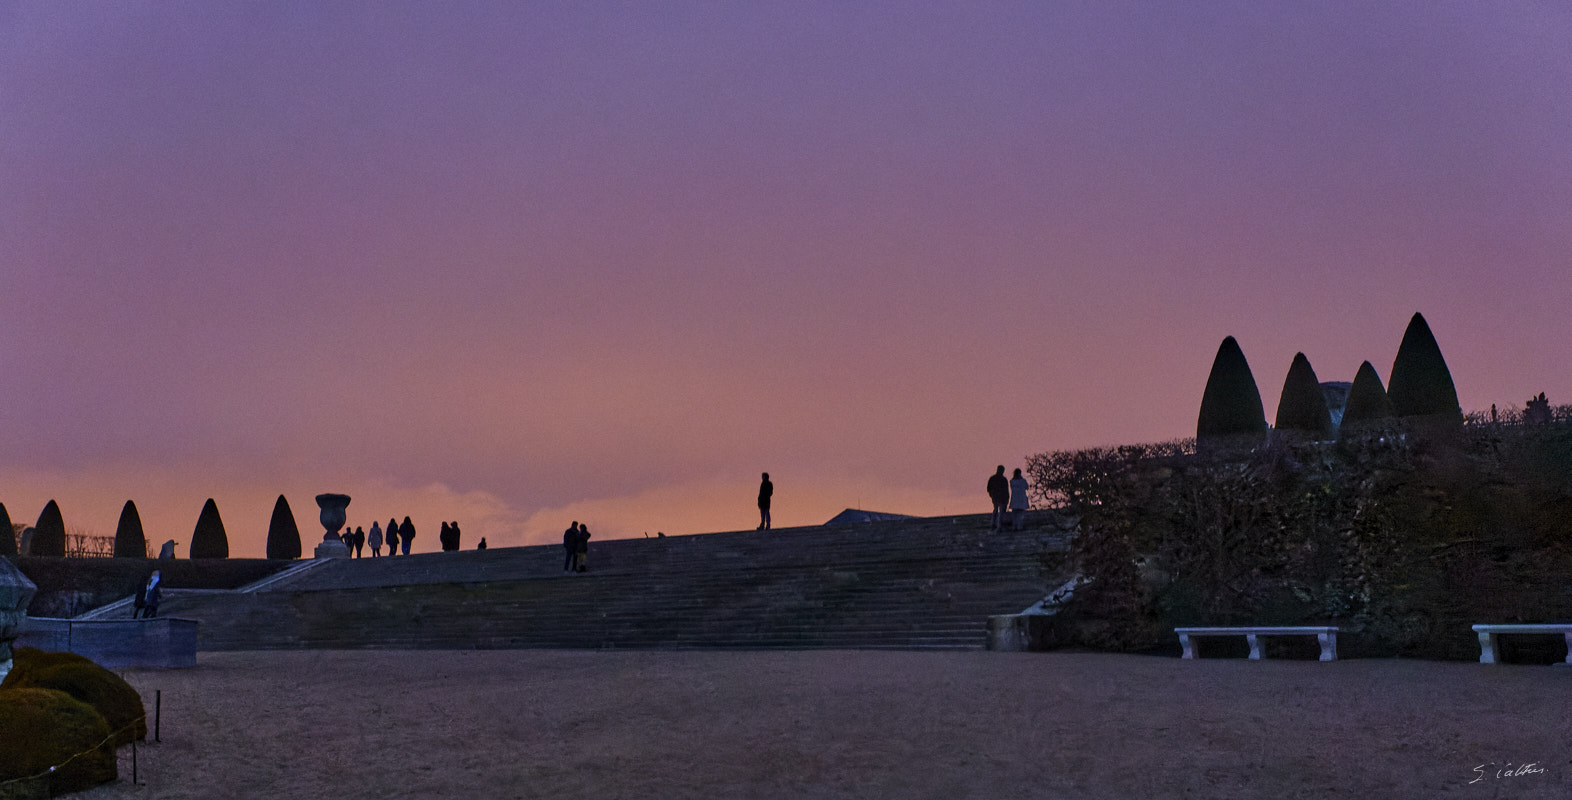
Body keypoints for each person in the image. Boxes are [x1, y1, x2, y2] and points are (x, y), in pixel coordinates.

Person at [987, 465, 1010, 532]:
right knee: (999, 510)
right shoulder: (1002, 479)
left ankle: (994, 523)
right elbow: (1006, 490)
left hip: (997, 496)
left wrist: (992, 494)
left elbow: (989, 488)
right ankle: (998, 524)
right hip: (999, 497)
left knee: (997, 510)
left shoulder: (993, 478)